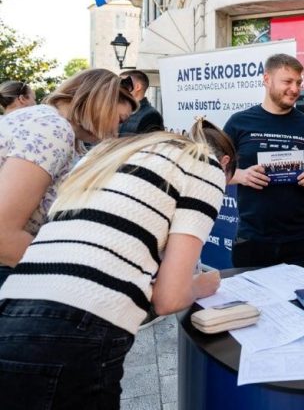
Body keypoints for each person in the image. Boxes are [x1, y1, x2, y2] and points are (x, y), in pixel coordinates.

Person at [0, 118, 234, 409]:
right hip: (77, 328)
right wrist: (198, 287)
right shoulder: (206, 167)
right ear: (225, 165)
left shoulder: (113, 153)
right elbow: (169, 299)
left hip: (12, 307)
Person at [0, 69, 137, 285]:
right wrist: (75, 278)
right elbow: (3, 236)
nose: (116, 132)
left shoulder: (57, 129)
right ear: (102, 101)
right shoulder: (53, 129)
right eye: (120, 120)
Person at [224, 53, 304, 270]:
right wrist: (241, 176)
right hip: (252, 239)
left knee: (297, 303)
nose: (295, 89)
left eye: (298, 83)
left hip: (299, 240)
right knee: (251, 304)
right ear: (266, 79)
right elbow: (214, 168)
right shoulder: (239, 122)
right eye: (287, 81)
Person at [119, 69, 164, 135]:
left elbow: (150, 143)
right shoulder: (120, 111)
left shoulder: (151, 116)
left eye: (124, 83)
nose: (120, 88)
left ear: (138, 87)